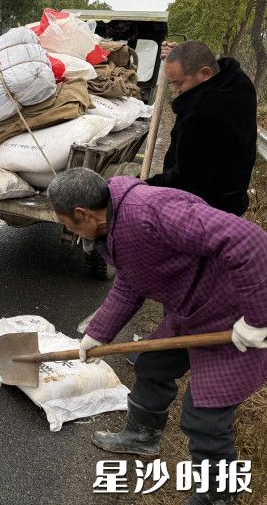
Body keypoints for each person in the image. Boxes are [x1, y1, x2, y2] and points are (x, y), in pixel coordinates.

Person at [47, 168, 267, 505]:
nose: (69, 231)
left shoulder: (152, 211)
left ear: (83, 213)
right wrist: (98, 334)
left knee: (204, 418)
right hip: (193, 312)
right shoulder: (114, 225)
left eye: (68, 224)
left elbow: (248, 240)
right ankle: (142, 436)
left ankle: (219, 497)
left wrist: (256, 318)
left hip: (236, 318)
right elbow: (131, 281)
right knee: (152, 366)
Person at [146, 40, 257, 216]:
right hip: (234, 198)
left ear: (205, 73)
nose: (175, 90)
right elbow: (202, 62)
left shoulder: (202, 114)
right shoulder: (238, 81)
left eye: (179, 82)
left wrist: (142, 186)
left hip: (207, 208)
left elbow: (184, 177)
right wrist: (182, 55)